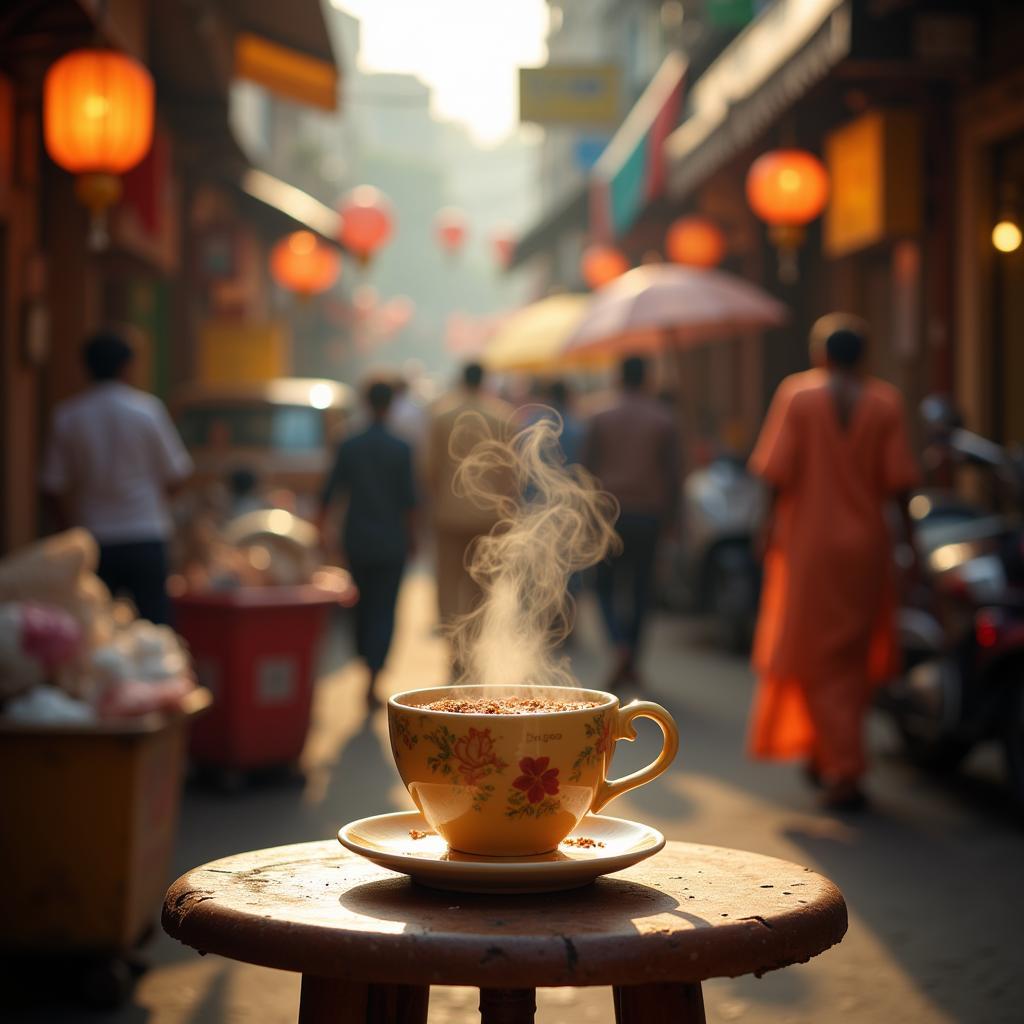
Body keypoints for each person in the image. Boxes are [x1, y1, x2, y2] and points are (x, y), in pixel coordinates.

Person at [747, 314, 919, 811]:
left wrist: (763, 530)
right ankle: (832, 756)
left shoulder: (798, 396)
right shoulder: (885, 401)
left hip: (809, 547)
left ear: (821, 355)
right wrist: (910, 545)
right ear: (863, 356)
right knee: (849, 658)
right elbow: (901, 484)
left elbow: (773, 475)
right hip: (866, 548)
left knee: (810, 654)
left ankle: (840, 766)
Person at [41, 329, 193, 625]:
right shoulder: (147, 411)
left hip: (93, 538)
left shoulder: (68, 416)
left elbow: (51, 486)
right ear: (128, 366)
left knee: (95, 626)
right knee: (154, 626)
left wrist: (69, 527)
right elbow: (176, 475)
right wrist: (151, 504)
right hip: (146, 535)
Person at [583, 355, 679, 690]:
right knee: (641, 589)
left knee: (605, 586)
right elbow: (673, 476)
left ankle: (618, 644)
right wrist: (673, 522)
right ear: (647, 378)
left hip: (609, 514)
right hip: (648, 515)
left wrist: (586, 517)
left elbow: (586, 472)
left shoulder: (599, 415)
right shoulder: (663, 418)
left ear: (618, 377)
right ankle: (631, 655)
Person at [320, 379, 417, 708]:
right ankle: (374, 672)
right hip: (391, 541)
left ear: (365, 402)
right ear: (390, 405)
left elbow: (330, 493)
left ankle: (366, 662)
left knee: (360, 608)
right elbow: (410, 502)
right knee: (385, 608)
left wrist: (323, 533)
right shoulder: (401, 448)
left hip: (357, 540)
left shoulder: (349, 444)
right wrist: (413, 539)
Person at [426, 362, 513, 628]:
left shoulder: (443, 416)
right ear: (484, 381)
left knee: (449, 582)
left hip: (449, 514)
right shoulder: (502, 416)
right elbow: (511, 471)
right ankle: (475, 642)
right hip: (490, 515)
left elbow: (430, 468)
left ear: (461, 380)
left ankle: (455, 644)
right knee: (482, 584)